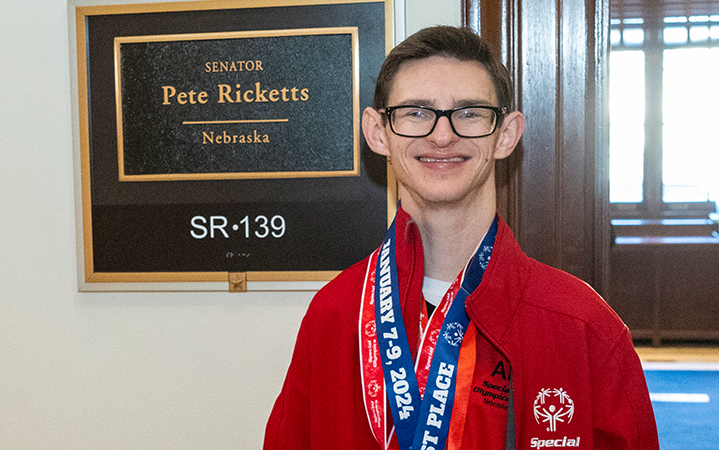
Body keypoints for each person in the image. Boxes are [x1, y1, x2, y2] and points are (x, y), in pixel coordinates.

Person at [264, 26, 659, 450]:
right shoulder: (334, 316)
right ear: (378, 132)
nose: (442, 134)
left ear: (505, 134)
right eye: (416, 112)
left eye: (469, 113)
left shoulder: (581, 326)